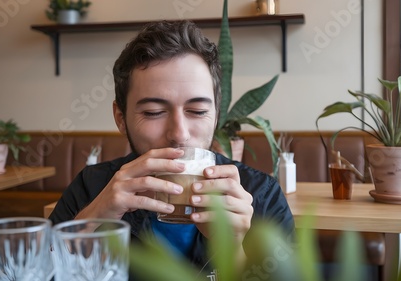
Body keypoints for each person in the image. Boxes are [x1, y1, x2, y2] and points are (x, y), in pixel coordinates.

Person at [49, 20, 294, 280]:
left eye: (197, 111)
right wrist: (92, 219)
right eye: (154, 112)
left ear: (216, 114)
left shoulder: (261, 196)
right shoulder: (92, 188)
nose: (179, 133)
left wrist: (234, 250)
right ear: (121, 118)